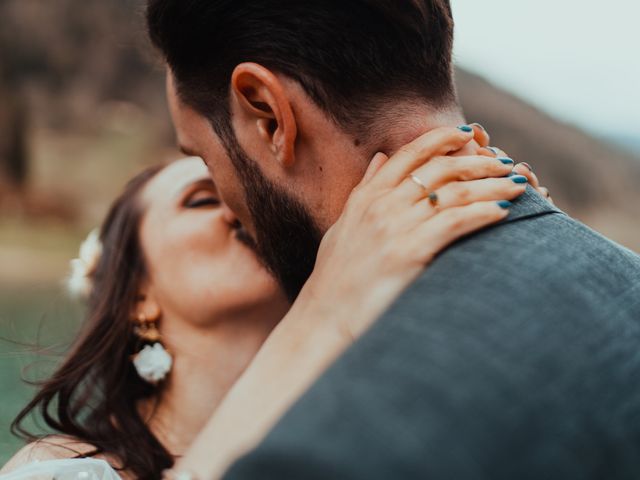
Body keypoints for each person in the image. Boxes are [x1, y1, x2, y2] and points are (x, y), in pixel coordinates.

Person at [146, 0, 640, 478]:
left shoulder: (312, 450)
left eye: (207, 160)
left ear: (269, 115)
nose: (229, 212)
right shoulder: (626, 279)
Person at [1, 124, 545, 478]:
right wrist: (328, 308)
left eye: (245, 194)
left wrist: (507, 259)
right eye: (200, 199)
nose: (240, 211)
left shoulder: (365, 448)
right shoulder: (58, 471)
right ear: (136, 296)